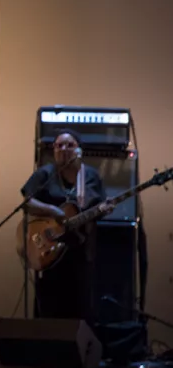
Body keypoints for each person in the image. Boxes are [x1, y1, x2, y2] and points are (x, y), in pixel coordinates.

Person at [20, 129, 113, 322]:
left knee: (81, 311)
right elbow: (27, 202)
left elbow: (100, 207)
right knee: (50, 311)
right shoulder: (45, 174)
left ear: (79, 150)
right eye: (59, 145)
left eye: (70, 145)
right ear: (53, 150)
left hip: (81, 252)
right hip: (50, 255)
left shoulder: (91, 177)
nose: (64, 149)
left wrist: (104, 210)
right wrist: (54, 212)